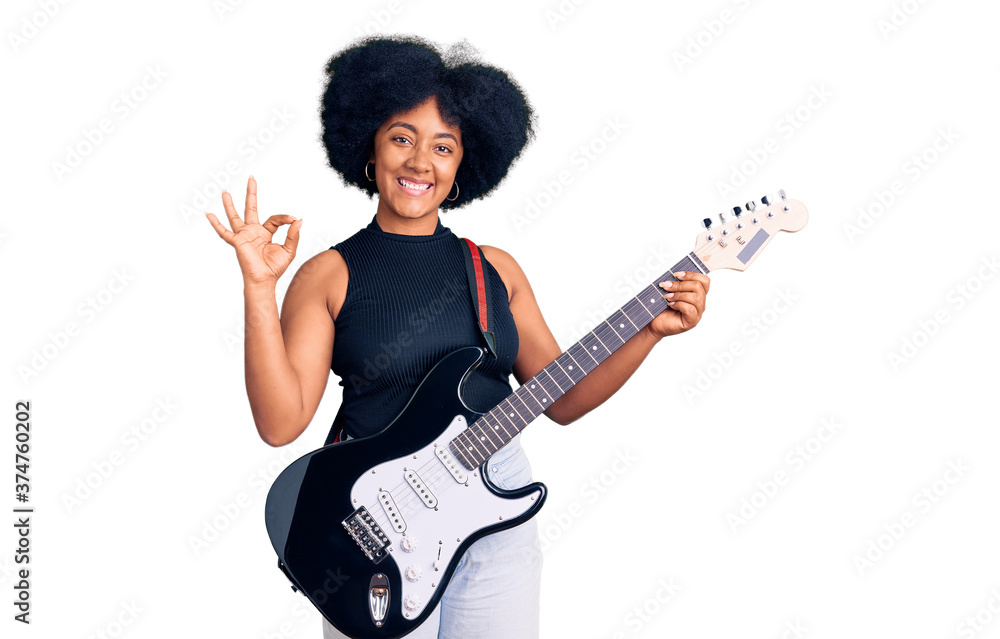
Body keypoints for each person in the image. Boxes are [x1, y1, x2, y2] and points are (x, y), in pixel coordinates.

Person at [206, 35, 709, 639]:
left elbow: (563, 399)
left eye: (443, 147)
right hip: (376, 522)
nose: (421, 162)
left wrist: (650, 330)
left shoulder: (493, 268)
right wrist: (259, 288)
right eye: (401, 138)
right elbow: (280, 424)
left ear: (462, 166)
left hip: (496, 512)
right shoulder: (329, 273)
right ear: (369, 146)